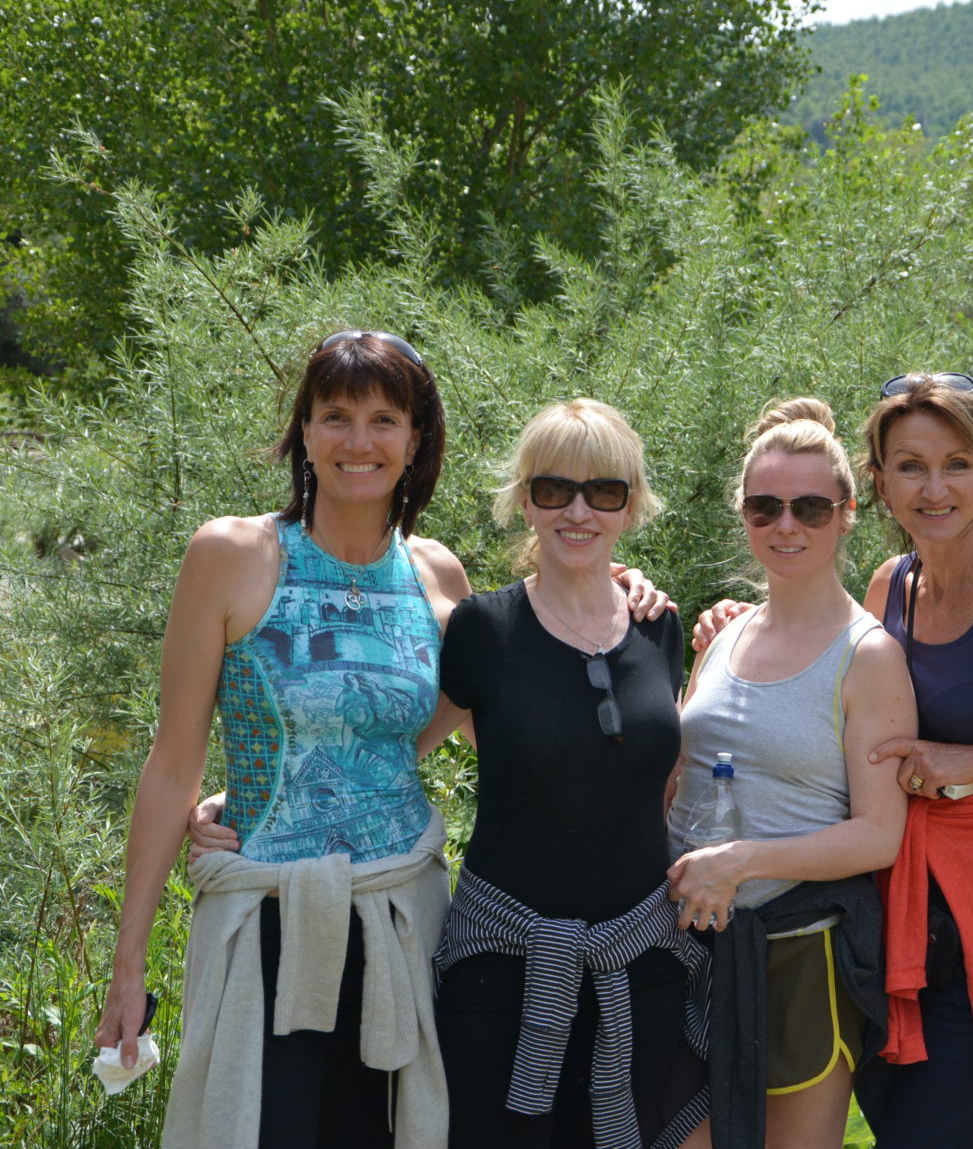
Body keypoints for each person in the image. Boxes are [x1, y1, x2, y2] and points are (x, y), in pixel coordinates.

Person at [101, 335, 667, 1149]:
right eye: (335, 416)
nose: (358, 440)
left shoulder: (439, 578)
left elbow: (510, 723)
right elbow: (170, 765)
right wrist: (128, 968)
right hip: (263, 918)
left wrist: (615, 595)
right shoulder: (230, 554)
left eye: (383, 420)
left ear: (415, 440)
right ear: (304, 431)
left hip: (402, 920)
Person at [693, 374, 973, 1149]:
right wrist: (742, 623)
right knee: (891, 1115)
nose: (934, 488)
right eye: (910, 466)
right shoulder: (893, 585)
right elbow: (834, 681)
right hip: (894, 901)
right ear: (878, 484)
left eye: (956, 464)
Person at [430, 398, 709, 1149]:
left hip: (639, 963)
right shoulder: (483, 628)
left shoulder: (659, 626)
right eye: (555, 489)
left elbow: (666, 783)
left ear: (631, 506)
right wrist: (257, 795)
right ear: (525, 501)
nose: (578, 511)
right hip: (498, 969)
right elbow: (394, 749)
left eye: (603, 491)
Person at [664, 399, 916, 1149]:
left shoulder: (868, 656)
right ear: (743, 514)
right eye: (765, 507)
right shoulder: (722, 634)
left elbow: (879, 834)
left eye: (810, 507)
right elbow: (675, 774)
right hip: (680, 947)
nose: (786, 526)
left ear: (846, 515)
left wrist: (742, 861)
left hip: (798, 955)